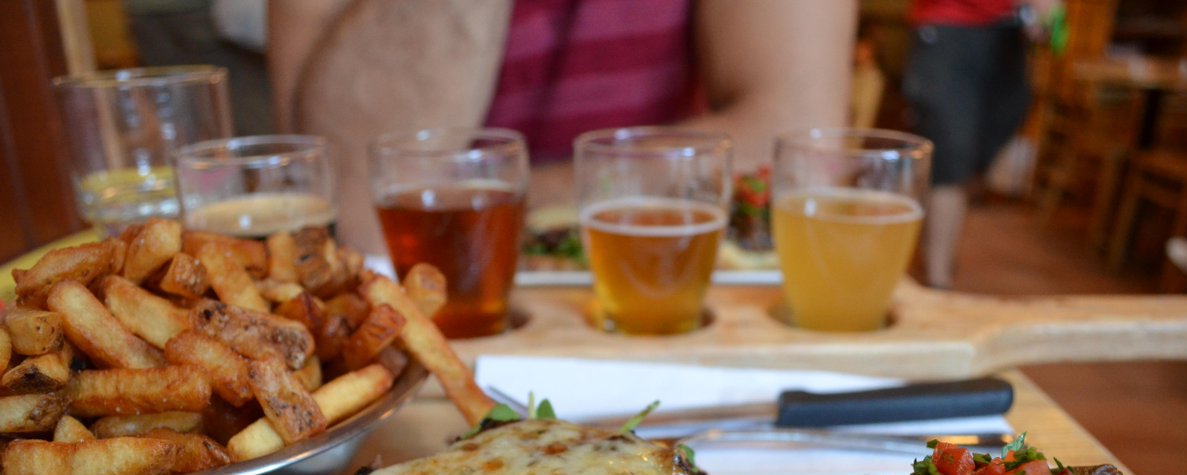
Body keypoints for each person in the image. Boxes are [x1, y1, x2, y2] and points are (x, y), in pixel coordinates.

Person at [267, 0, 856, 254]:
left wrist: (482, 205)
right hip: (423, 337)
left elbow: (801, 148)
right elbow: (360, 215)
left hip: (668, 324)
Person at [903, 0, 1058, 288]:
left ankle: (934, 253)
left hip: (1007, 33)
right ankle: (939, 282)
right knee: (951, 157)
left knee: (974, 157)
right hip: (949, 25)